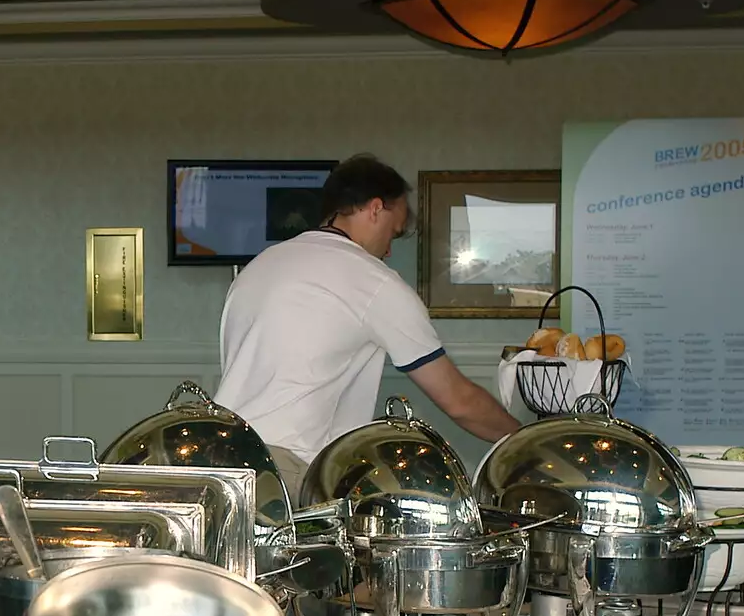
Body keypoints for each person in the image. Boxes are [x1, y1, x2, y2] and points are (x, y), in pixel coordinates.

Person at [214, 154, 520, 499]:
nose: (389, 250)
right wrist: (524, 443)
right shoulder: (373, 281)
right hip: (285, 469)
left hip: (218, 456)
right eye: (394, 232)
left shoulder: (261, 264)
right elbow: (459, 400)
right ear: (376, 209)